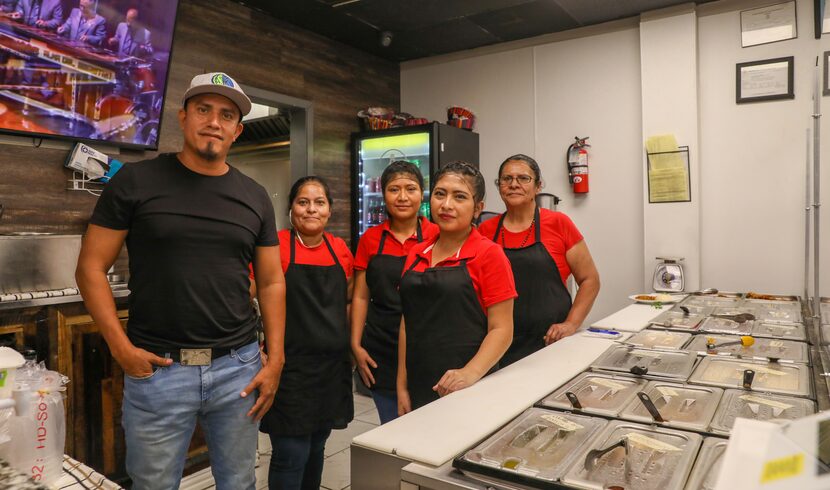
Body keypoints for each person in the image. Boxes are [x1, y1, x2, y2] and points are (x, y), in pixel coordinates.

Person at [75, 72, 286, 490]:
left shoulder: (255, 195)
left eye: (227, 115)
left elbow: (272, 281)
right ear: (183, 117)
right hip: (158, 370)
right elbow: (89, 268)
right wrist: (122, 349)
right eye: (204, 110)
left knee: (239, 482)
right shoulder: (136, 181)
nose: (214, 122)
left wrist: (276, 358)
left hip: (237, 369)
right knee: (154, 484)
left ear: (238, 130)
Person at [258, 176, 354, 490]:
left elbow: (348, 301)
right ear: (290, 209)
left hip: (330, 369)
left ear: (329, 210)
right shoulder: (276, 246)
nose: (311, 209)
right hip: (289, 368)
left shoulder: (340, 249)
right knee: (290, 452)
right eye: (303, 202)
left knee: (316, 446)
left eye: (319, 202)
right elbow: (248, 298)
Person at [397, 161, 515, 413]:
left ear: (478, 208)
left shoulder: (489, 254)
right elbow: (408, 322)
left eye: (459, 197)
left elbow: (502, 329)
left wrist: (469, 374)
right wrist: (401, 385)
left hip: (469, 385)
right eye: (440, 194)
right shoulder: (417, 252)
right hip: (419, 380)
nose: (446, 204)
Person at [479, 154, 600, 366]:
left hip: (552, 343)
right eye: (507, 179)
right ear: (499, 187)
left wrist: (571, 324)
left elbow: (590, 280)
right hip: (499, 346)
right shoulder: (485, 231)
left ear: (538, 186)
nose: (514, 184)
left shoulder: (558, 223)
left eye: (523, 178)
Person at [350, 161, 438, 424]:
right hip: (382, 348)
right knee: (391, 427)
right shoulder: (370, 239)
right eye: (393, 189)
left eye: (410, 189)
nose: (402, 197)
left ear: (421, 193)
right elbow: (361, 296)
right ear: (383, 194)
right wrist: (355, 344)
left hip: (427, 344)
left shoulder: (437, 235)